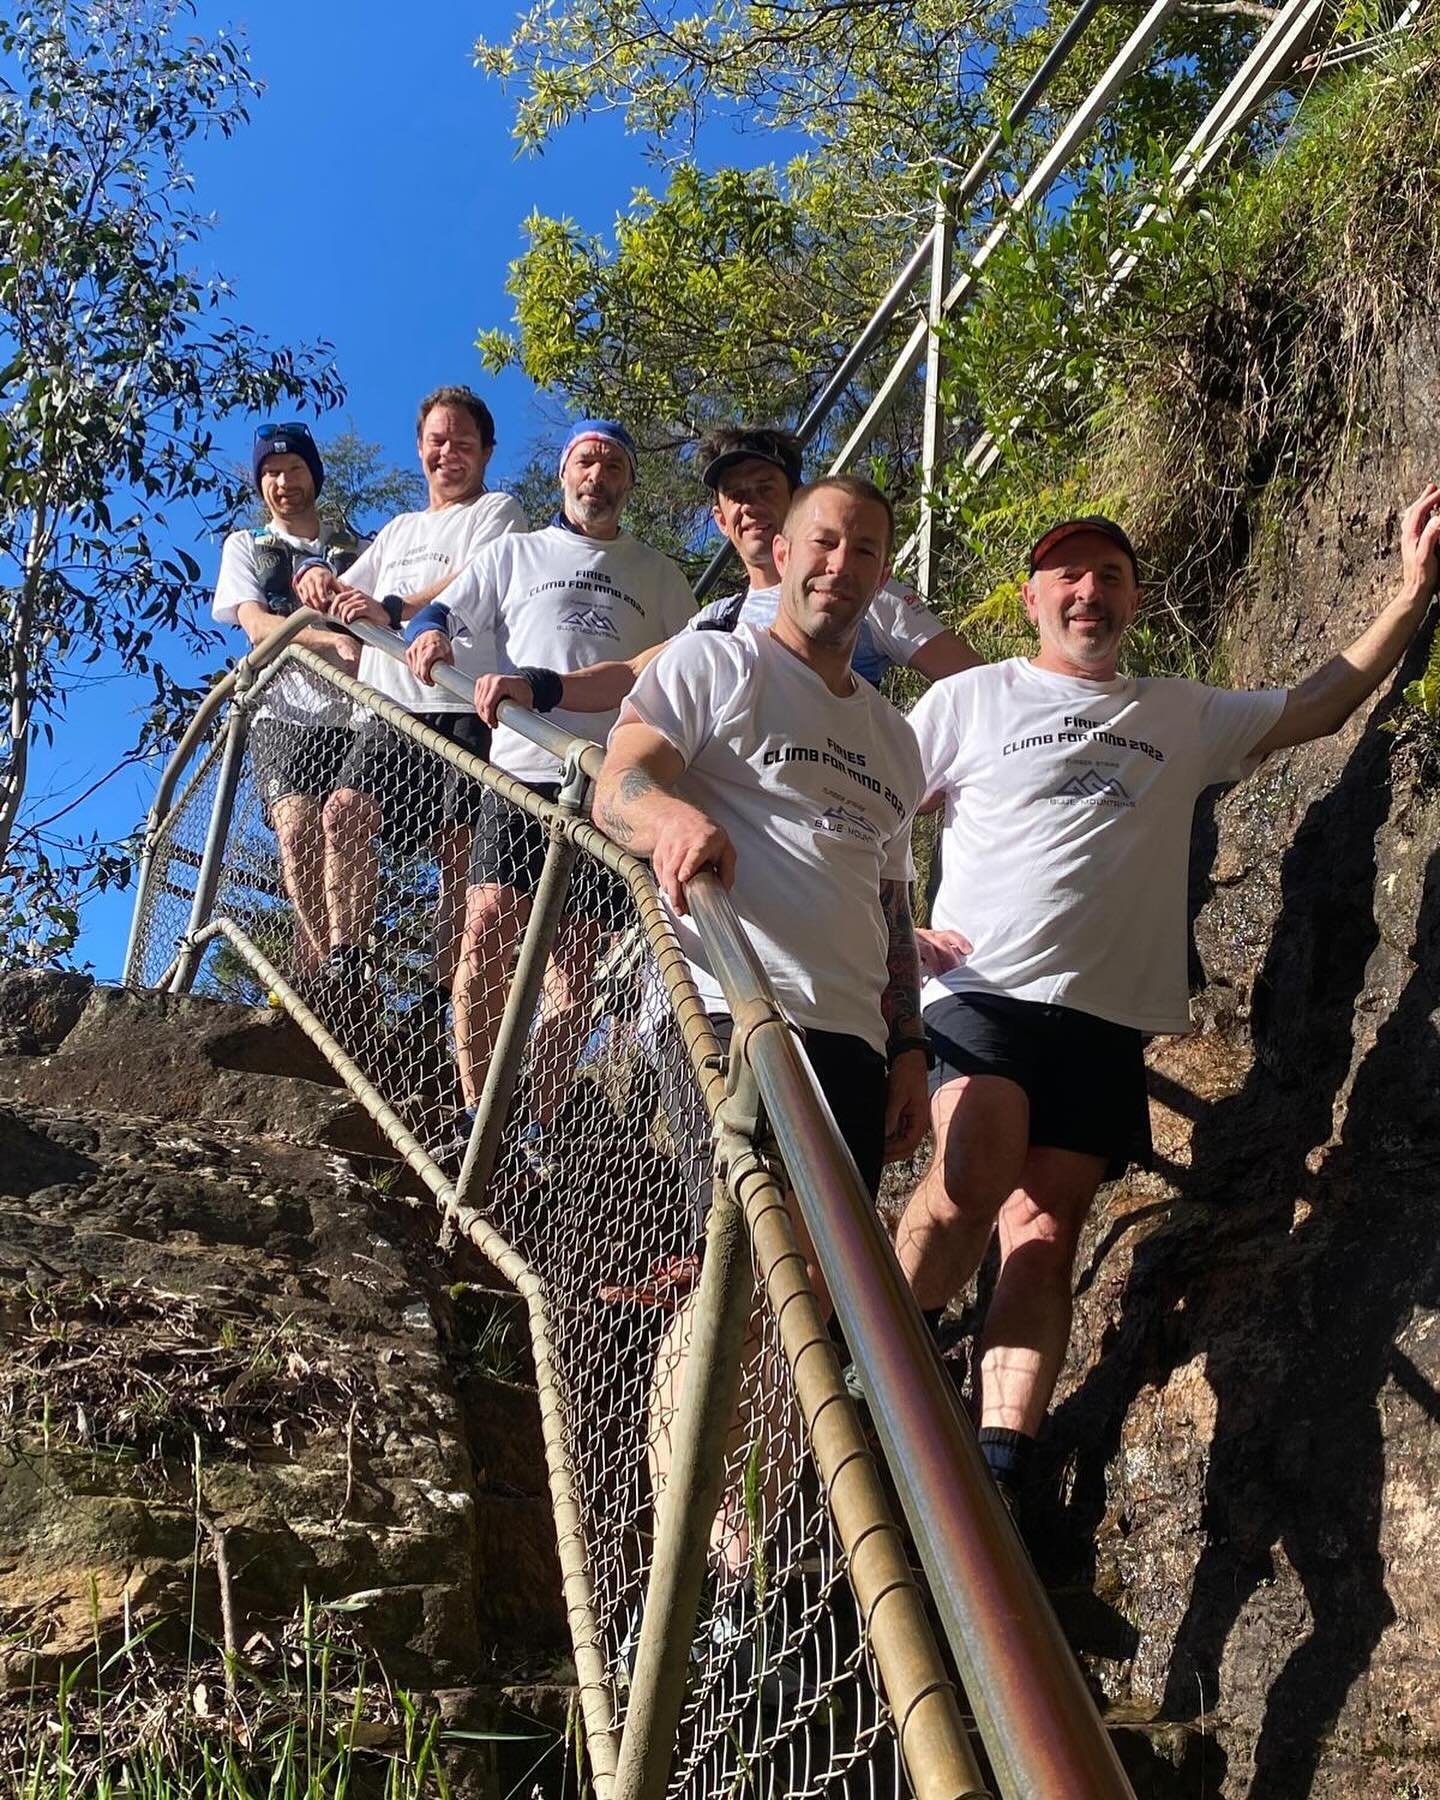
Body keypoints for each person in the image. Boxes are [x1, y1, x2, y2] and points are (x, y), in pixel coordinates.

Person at [893, 492, 1440, 1512]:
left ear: (1135, 599)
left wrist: (1412, 597)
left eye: (1108, 576)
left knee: (1045, 1236)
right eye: (1067, 574)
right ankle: (877, 1351)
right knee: (973, 1166)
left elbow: (1317, 702)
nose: (1088, 590)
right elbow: (875, 809)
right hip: (982, 988)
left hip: (1103, 1017)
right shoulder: (971, 700)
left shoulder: (1180, 713)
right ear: (1031, 602)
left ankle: (1005, 1466)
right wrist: (891, 929)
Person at [593, 472, 930, 1567]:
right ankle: (704, 1556)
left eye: (867, 551)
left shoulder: (894, 737)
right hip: (725, 1013)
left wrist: (913, 1049)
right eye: (824, 543)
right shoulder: (716, 661)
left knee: (814, 1299)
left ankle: (746, 1559)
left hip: (852, 1043)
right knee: (747, 1267)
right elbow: (618, 782)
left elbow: (892, 908)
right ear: (782, 553)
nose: (842, 565)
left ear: (882, 574)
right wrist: (671, 816)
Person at [404, 420, 695, 1166]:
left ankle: (540, 1121)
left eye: (611, 464)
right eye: (585, 461)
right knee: (487, 927)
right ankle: (476, 1110)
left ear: (628, 481)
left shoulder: (659, 574)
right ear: (564, 474)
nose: (597, 475)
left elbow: (689, 667)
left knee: (575, 961)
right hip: (522, 768)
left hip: (607, 783)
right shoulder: (516, 551)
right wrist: (433, 635)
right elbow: (445, 609)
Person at [471, 423, 980, 729]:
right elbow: (629, 675)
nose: (752, 506)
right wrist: (536, 686)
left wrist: (903, 765)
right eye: (737, 496)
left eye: (766, 489)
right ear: (720, 519)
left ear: (798, 503)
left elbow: (973, 685)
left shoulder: (863, 591)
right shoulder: (716, 620)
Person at [289, 386, 528, 1007]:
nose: (449, 453)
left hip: (460, 702)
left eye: (463, 443)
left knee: (456, 855)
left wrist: (394, 608)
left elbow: (474, 577)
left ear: (486, 452)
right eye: (437, 441)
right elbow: (343, 593)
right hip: (389, 706)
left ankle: (440, 994)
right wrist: (312, 576)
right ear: (420, 448)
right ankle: (347, 964)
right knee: (343, 811)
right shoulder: (397, 530)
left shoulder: (499, 512)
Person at [211, 423, 363, 977]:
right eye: (271, 474)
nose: (283, 482)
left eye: (294, 469)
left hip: (356, 713)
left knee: (346, 827)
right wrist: (330, 640)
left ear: (313, 474)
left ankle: (346, 962)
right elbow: (254, 623)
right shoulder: (247, 546)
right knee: (297, 831)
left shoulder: (357, 549)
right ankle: (317, 969)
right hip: (285, 711)